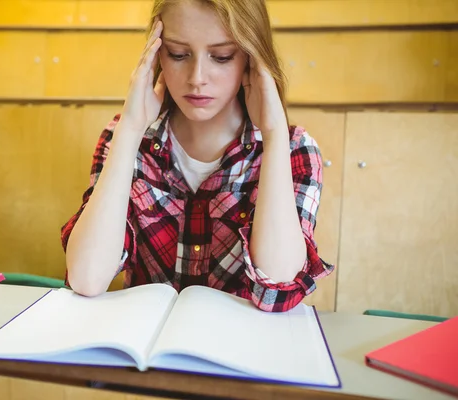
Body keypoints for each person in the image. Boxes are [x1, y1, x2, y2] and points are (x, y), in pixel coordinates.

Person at [60, 0, 334, 313]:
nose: (197, 78)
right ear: (157, 53)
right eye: (178, 54)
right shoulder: (123, 138)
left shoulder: (294, 150)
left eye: (221, 56)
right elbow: (87, 278)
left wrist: (273, 137)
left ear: (251, 58)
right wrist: (132, 129)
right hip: (146, 357)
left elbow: (278, 286)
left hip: (241, 355)